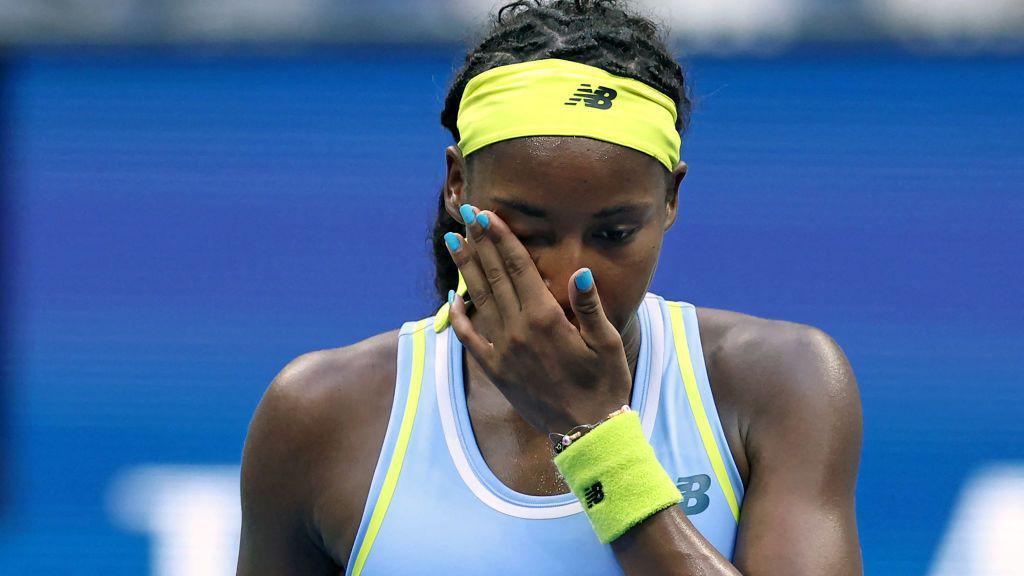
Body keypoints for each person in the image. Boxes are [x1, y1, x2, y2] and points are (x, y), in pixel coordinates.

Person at [236, 1, 863, 574]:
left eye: (614, 234)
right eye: (528, 232)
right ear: (457, 184)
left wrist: (594, 440)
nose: (570, 280)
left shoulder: (783, 381)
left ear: (671, 199)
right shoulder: (315, 416)